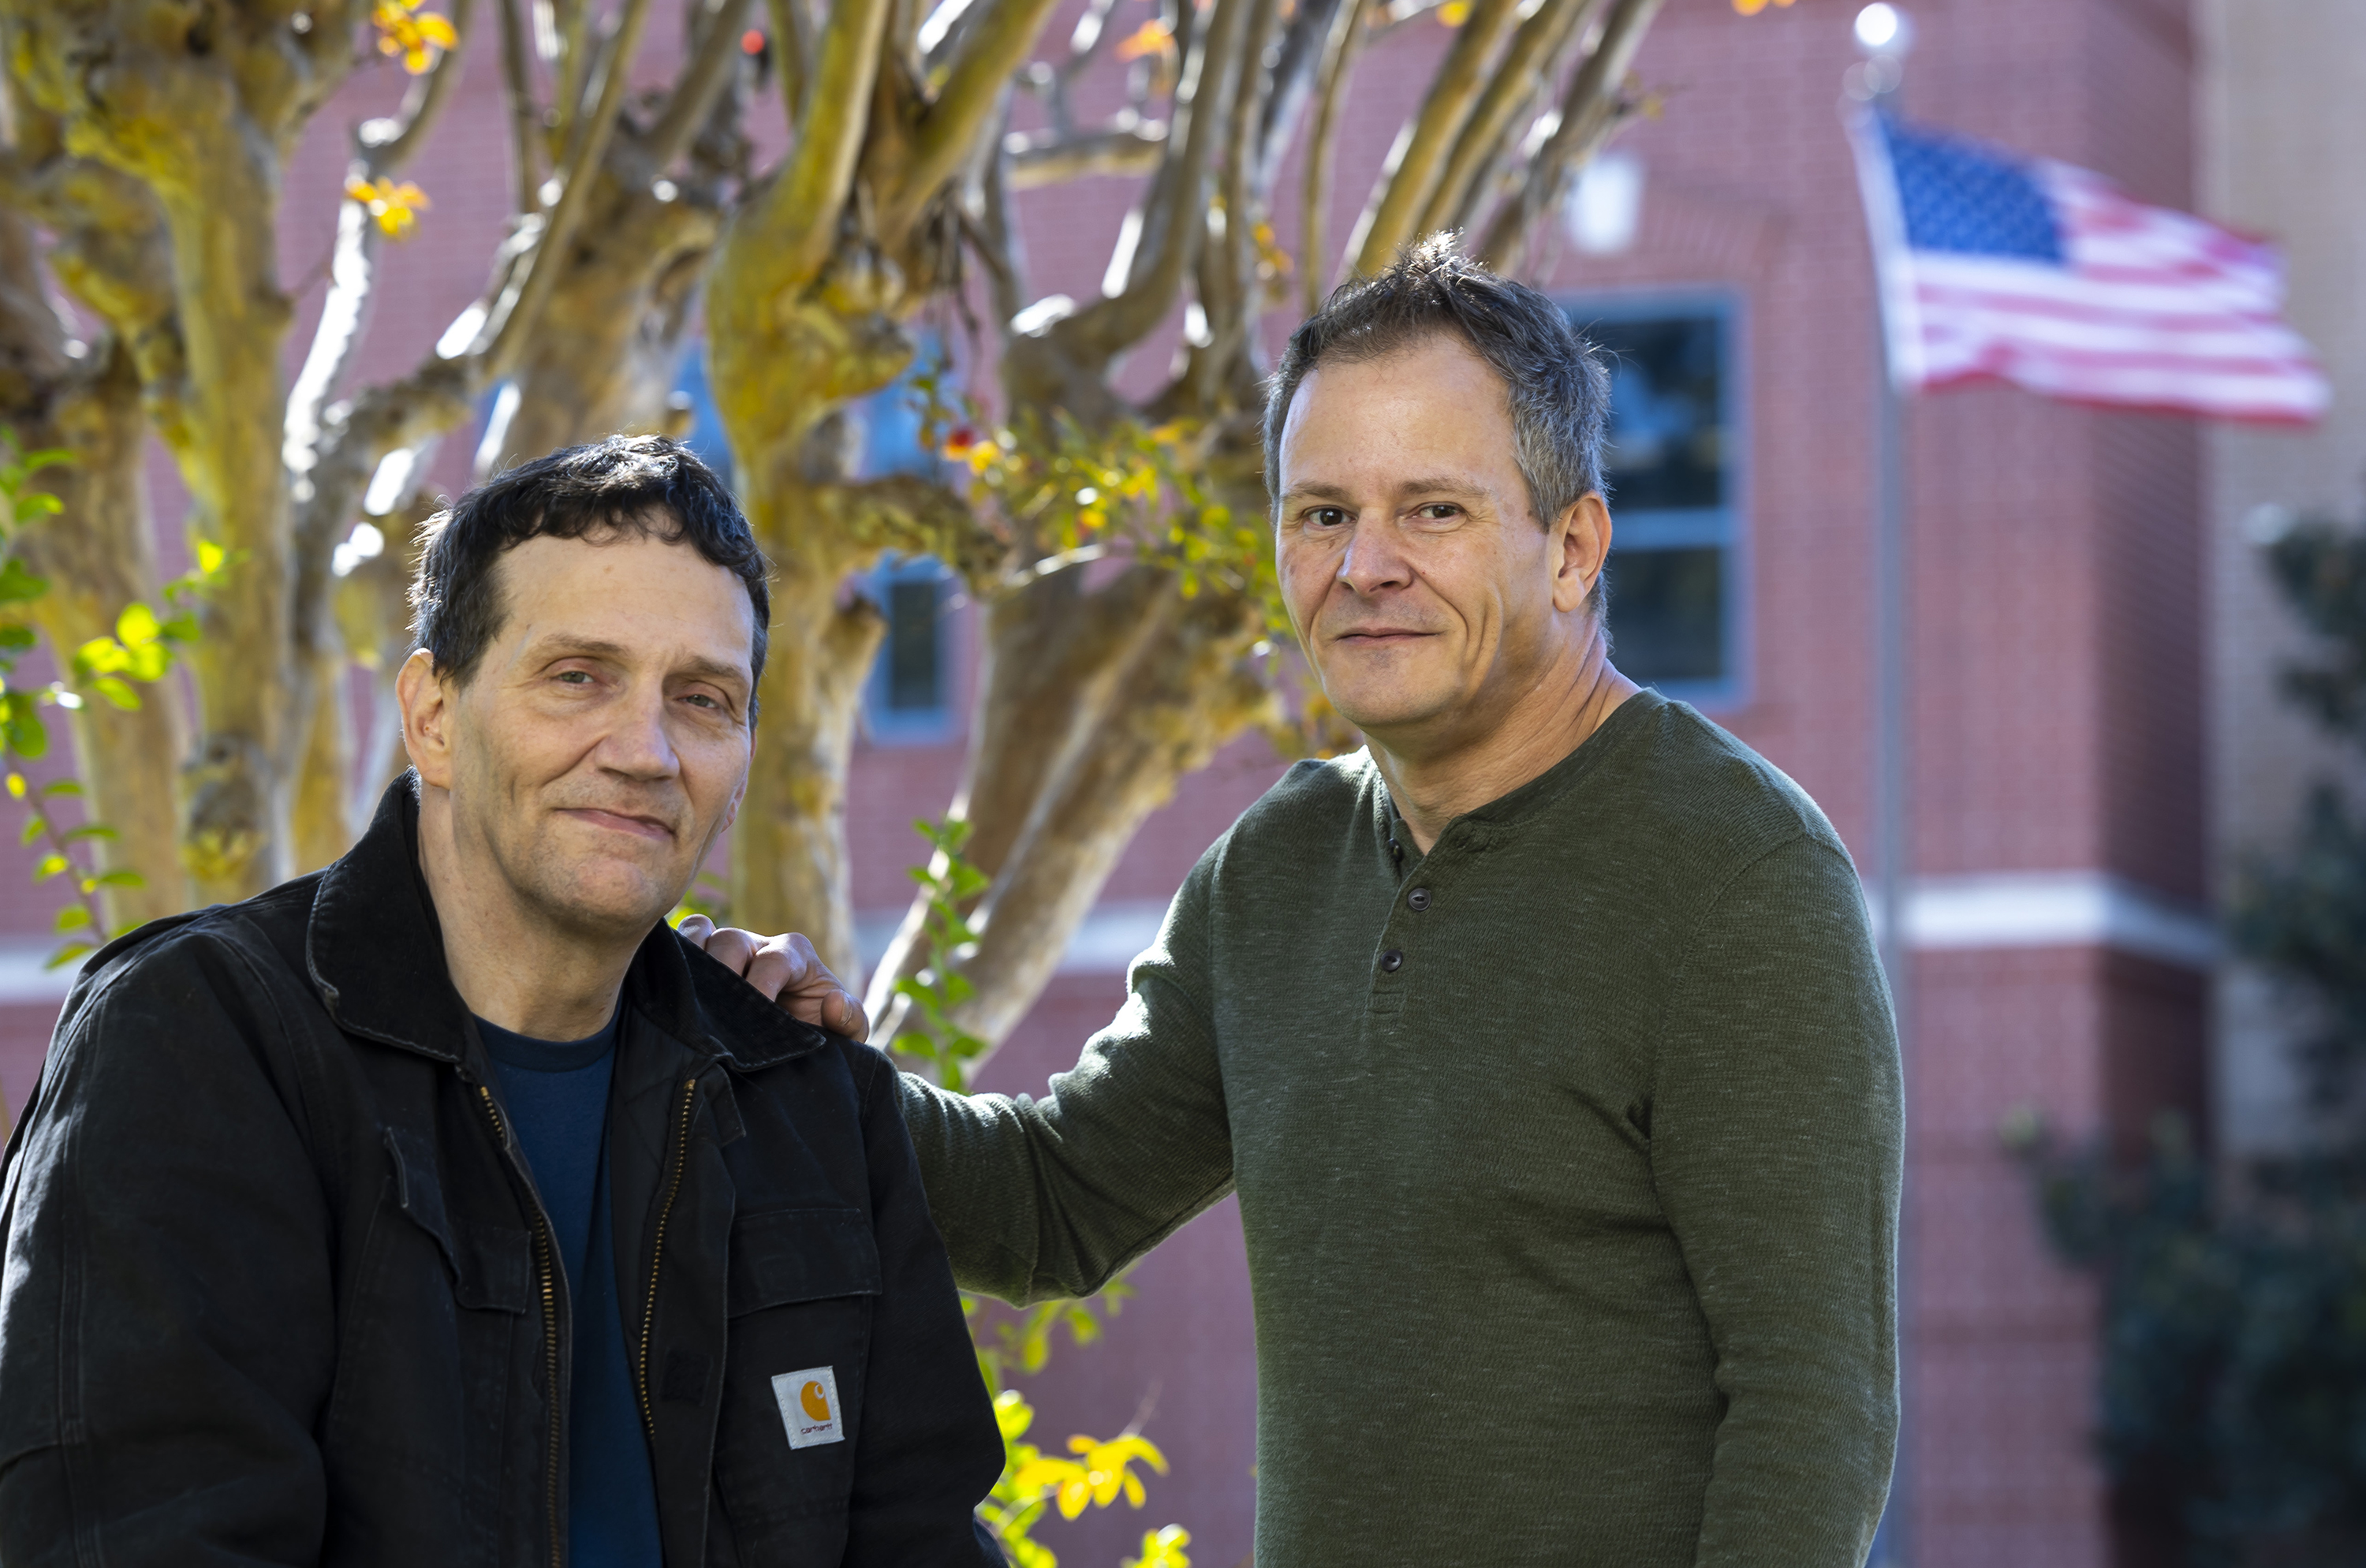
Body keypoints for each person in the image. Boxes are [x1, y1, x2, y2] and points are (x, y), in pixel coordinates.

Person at [697, 240, 1904, 1566]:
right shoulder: (1279, 865)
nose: (1364, 565)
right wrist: (800, 1062)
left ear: (1572, 547)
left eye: (1433, 511)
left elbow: (1811, 1409)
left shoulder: (1739, 878)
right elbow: (1051, 1204)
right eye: (1322, 513)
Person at [0, 438, 1002, 1567]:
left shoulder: (808, 1102)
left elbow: (923, 1536)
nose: (645, 750)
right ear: (433, 715)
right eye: (578, 677)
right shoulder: (198, 1045)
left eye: (703, 698)